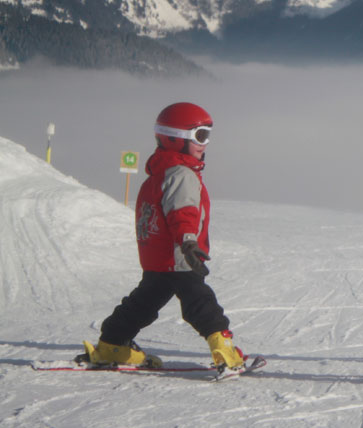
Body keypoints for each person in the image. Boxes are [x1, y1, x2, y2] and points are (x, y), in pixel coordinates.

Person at [78, 102, 246, 375]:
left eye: (208, 136)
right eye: (200, 136)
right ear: (175, 138)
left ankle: (112, 343)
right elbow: (183, 212)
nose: (206, 144)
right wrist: (189, 242)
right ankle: (224, 350)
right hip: (180, 255)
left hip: (158, 257)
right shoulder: (182, 174)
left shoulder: (158, 174)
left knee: (142, 303)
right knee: (200, 302)